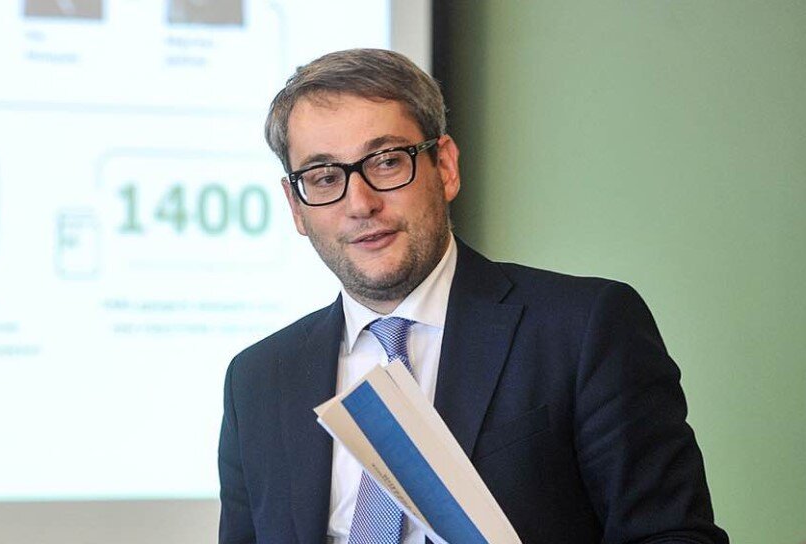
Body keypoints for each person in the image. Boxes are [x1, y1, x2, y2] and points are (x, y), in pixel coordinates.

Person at [218, 48, 728, 544]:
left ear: (444, 167)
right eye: (325, 177)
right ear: (296, 206)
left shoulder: (584, 329)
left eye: (387, 162)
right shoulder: (258, 380)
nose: (360, 203)